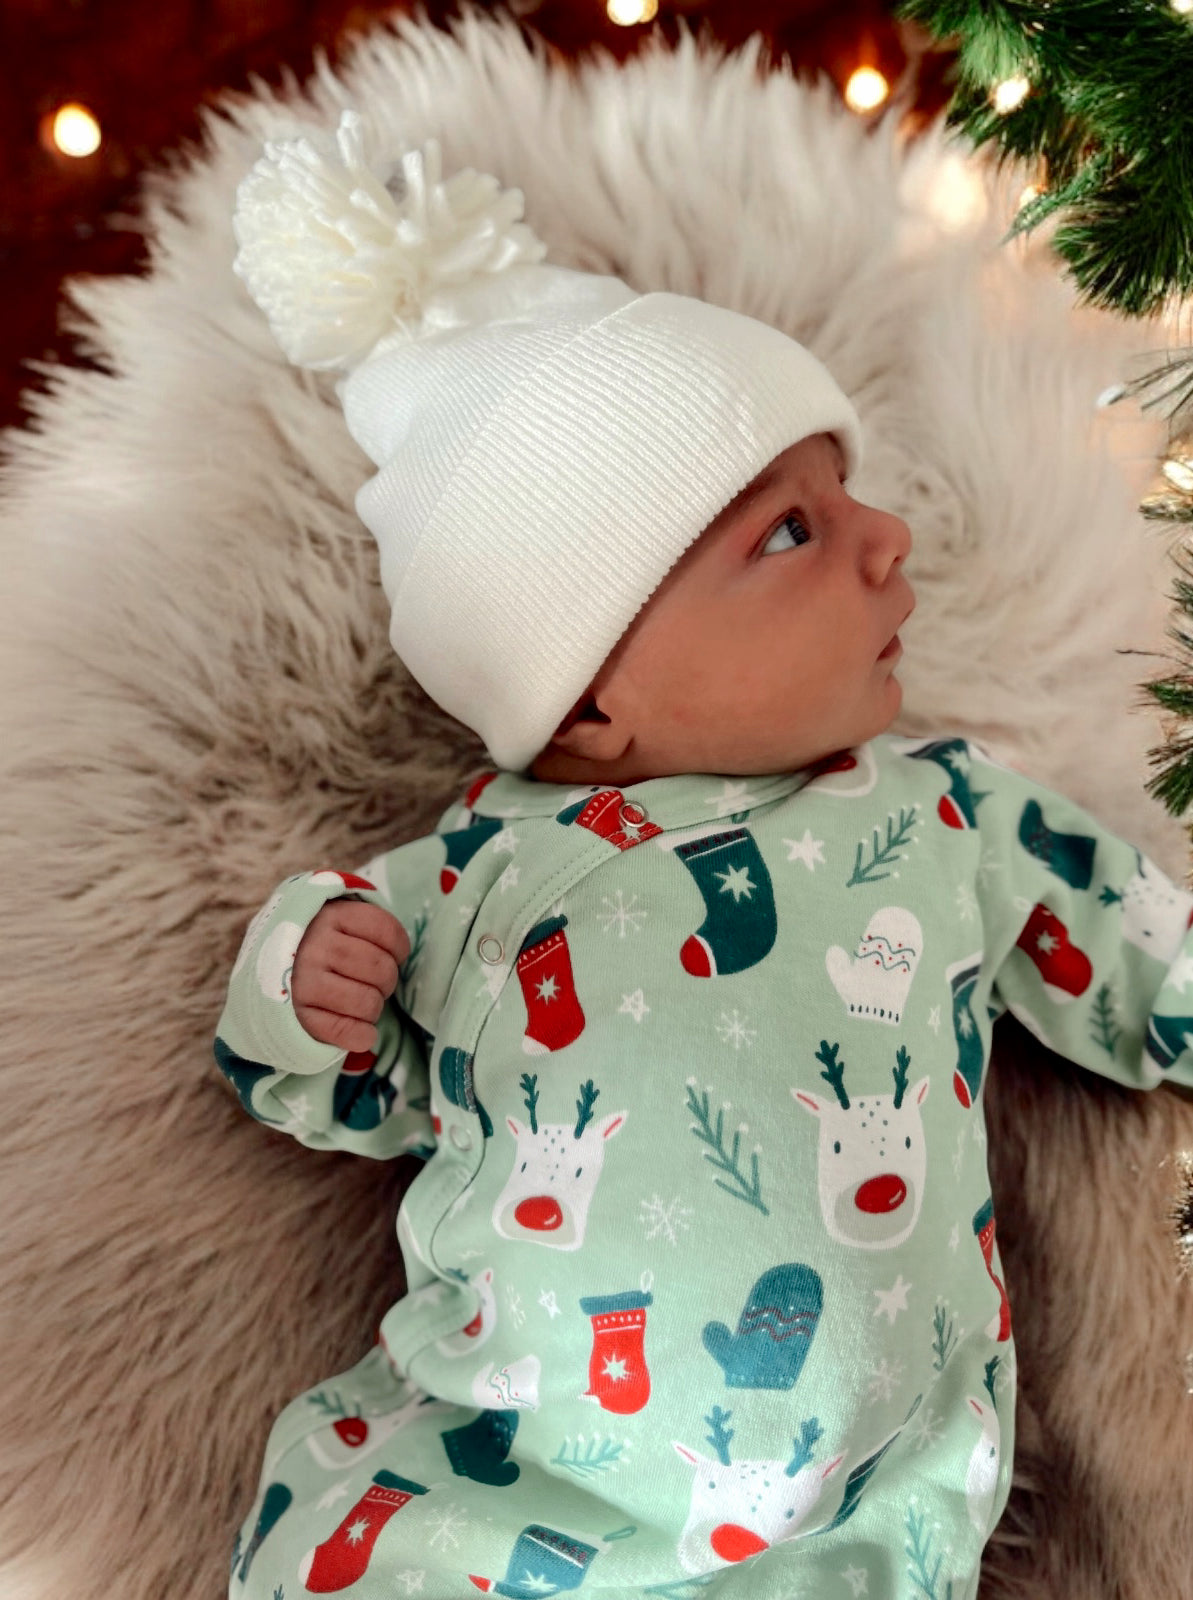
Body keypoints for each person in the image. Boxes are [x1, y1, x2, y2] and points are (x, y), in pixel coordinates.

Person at [215, 111, 1193, 1600]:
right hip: (488, 1498)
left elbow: (1140, 951)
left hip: (842, 1532)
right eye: (789, 533)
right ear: (590, 694)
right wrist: (306, 981)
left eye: (846, 493)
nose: (887, 538)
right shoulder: (481, 869)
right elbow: (335, 1082)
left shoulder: (940, 810)